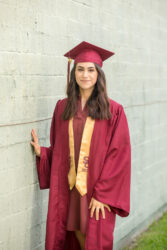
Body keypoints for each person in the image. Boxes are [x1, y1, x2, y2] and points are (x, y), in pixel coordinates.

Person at [30, 41, 131, 250]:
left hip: (96, 190)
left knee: (93, 239)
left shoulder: (114, 110)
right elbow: (60, 149)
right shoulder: (62, 107)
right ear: (73, 72)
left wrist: (104, 195)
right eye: (80, 69)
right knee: (72, 233)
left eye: (91, 70)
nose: (85, 75)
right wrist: (44, 154)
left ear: (98, 74)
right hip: (69, 188)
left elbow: (119, 155)